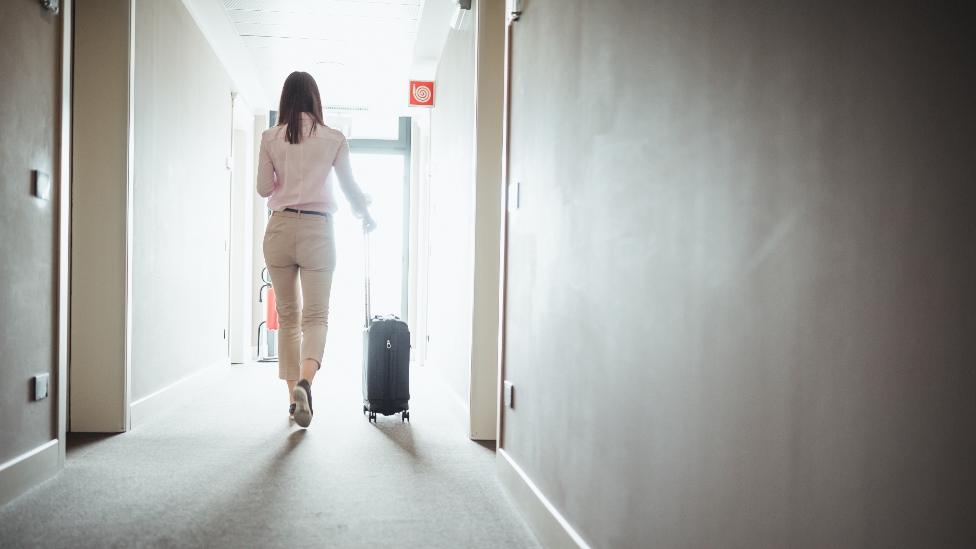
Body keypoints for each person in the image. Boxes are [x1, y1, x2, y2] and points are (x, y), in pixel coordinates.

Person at [256, 71, 376, 428]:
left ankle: (294, 399)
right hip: (318, 231)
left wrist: (284, 178)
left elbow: (264, 188)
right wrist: (366, 213)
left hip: (278, 228)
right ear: (315, 99)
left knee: (289, 319)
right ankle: (306, 383)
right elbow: (351, 189)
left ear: (285, 100)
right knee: (316, 317)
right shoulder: (334, 139)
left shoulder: (269, 137)